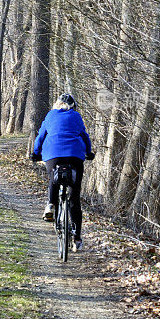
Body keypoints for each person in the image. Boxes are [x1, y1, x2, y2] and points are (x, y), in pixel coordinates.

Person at [31, 93, 94, 251]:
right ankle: (77, 238)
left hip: (53, 154)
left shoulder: (50, 115)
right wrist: (89, 151)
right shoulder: (76, 116)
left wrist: (36, 153)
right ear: (73, 106)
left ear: (57, 104)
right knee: (74, 196)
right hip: (75, 155)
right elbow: (84, 136)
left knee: (54, 178)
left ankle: (51, 205)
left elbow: (41, 136)